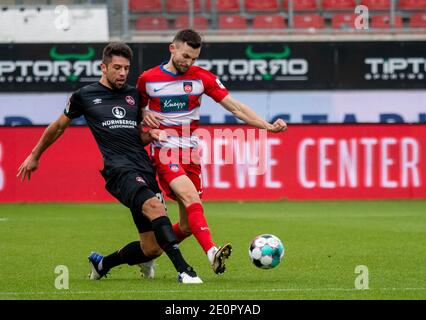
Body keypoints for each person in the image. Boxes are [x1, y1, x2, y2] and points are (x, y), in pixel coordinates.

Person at [16, 42, 203, 284]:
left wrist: (151, 135)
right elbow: (58, 126)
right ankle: (185, 270)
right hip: (119, 170)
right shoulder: (85, 96)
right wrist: (35, 154)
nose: (123, 73)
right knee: (155, 209)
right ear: (103, 67)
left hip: (143, 167)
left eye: (126, 68)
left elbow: (135, 134)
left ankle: (102, 263)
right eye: (117, 68)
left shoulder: (134, 96)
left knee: (151, 248)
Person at [137, 29, 287, 275]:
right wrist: (144, 114)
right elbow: (135, 108)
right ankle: (211, 253)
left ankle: (148, 253)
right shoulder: (148, 79)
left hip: (191, 156)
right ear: (172, 48)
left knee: (186, 226)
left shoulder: (201, 78)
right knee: (191, 199)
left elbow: (236, 108)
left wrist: (267, 126)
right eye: (186, 55)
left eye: (194, 58)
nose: (189, 62)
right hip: (164, 153)